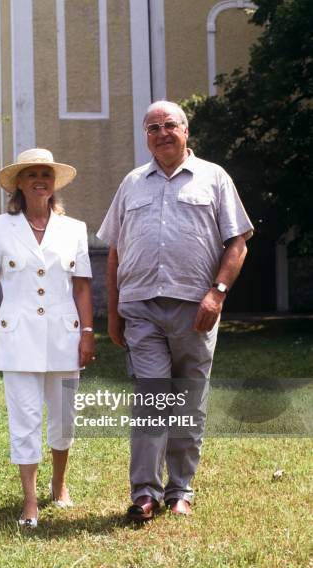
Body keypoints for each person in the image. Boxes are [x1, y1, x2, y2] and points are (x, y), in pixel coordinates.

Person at [97, 101, 253, 521]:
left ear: (186, 130)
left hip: (196, 308)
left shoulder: (214, 177)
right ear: (145, 136)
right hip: (140, 307)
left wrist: (217, 293)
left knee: (188, 399)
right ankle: (145, 492)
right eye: (152, 127)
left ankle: (180, 489)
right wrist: (112, 312)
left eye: (169, 125)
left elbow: (237, 242)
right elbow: (114, 251)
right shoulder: (132, 183)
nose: (161, 132)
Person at [0, 148, 95, 528]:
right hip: (16, 337)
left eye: (46, 173)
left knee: (64, 418)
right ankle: (29, 501)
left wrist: (88, 333)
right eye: (32, 173)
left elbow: (84, 287)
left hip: (65, 337)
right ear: (19, 183)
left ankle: (59, 484)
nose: (40, 178)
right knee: (23, 419)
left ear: (54, 182)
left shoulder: (74, 229)